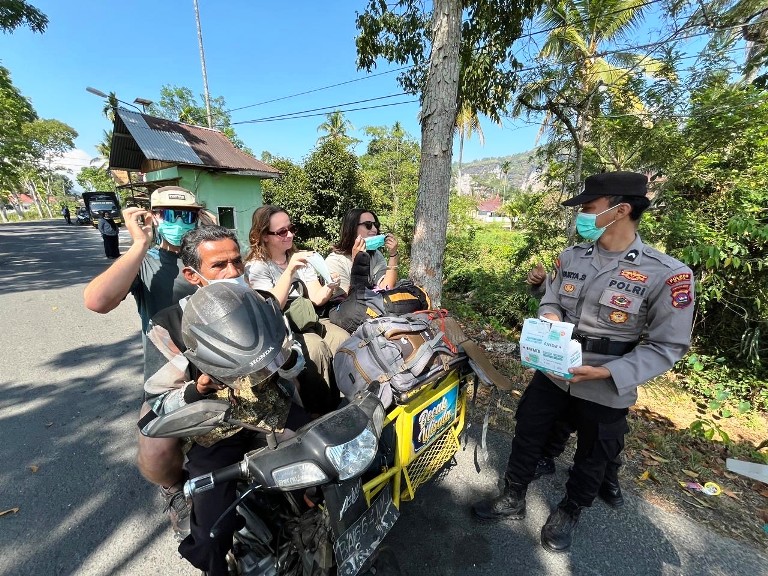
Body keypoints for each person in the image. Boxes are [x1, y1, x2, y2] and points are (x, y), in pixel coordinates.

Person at [472, 171, 695, 552]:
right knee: (529, 430)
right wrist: (551, 317)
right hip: (553, 371)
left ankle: (570, 509)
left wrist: (610, 371)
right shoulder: (571, 257)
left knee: (595, 453)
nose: (583, 217)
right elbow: (551, 299)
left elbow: (666, 345)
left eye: (590, 208)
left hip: (605, 382)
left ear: (620, 209)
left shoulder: (667, 274)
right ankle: (513, 495)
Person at [141, 277, 310, 576]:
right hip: (214, 431)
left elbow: (296, 360)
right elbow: (157, 403)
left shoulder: (259, 304)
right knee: (211, 535)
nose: (229, 272)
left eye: (235, 262)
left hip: (273, 412)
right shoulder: (168, 323)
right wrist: (198, 388)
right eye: (218, 265)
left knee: (331, 462)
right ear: (193, 274)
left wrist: (284, 359)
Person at [83, 185, 206, 536]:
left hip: (221, 364)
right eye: (169, 214)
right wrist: (138, 243)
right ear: (152, 216)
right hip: (167, 374)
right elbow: (97, 301)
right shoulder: (147, 262)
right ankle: (174, 489)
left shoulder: (206, 254)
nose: (179, 222)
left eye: (188, 216)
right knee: (154, 456)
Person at [527, 262, 625, 508]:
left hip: (607, 368)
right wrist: (542, 284)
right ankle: (547, 456)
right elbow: (563, 296)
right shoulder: (575, 256)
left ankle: (607, 474)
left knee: (604, 431)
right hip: (563, 356)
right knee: (560, 413)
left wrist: (614, 368)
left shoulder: (648, 268)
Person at [245, 205, 347, 413]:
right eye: (282, 231)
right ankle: (322, 411)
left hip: (306, 318)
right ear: (263, 236)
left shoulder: (301, 258)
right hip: (280, 327)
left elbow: (317, 299)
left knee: (342, 339)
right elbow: (272, 307)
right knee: (315, 348)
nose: (289, 234)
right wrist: (290, 270)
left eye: (291, 228)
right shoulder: (257, 267)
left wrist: (329, 286)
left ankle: (349, 397)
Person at [325, 208, 400, 298]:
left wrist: (393, 255)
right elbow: (347, 300)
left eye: (376, 225)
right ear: (352, 228)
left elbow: (387, 287)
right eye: (368, 225)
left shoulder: (376, 255)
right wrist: (357, 261)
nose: (374, 229)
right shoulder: (335, 261)